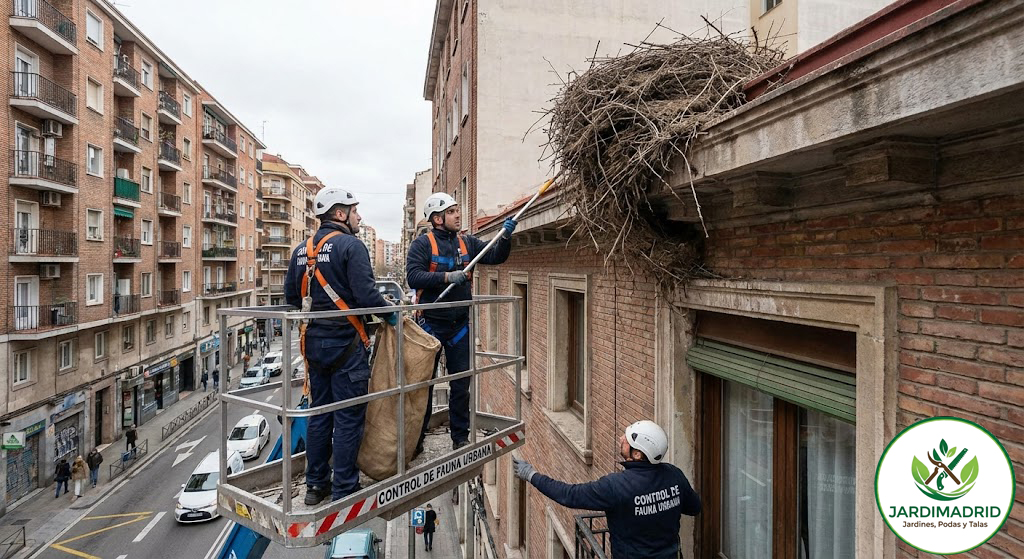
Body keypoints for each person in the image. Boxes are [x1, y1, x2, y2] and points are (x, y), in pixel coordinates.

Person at [284, 186, 396, 505]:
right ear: (339, 214)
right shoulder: (351, 245)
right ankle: (345, 487)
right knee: (347, 416)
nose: (359, 216)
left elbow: (292, 299)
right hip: (346, 344)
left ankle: (316, 484)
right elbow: (366, 297)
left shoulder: (300, 251)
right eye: (354, 210)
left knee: (320, 414)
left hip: (314, 345)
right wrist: (391, 316)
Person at [406, 193, 516, 451]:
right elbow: (413, 276)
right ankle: (417, 440)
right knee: (424, 386)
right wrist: (446, 277)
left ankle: (459, 437)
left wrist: (506, 236)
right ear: (437, 218)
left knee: (461, 385)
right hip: (430, 326)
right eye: (453, 211)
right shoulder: (423, 245)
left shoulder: (467, 242)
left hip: (459, 326)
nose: (458, 214)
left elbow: (495, 256)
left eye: (457, 210)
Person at [513, 420, 701, 559]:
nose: (620, 438)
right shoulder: (674, 476)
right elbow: (694, 508)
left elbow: (568, 495)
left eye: (626, 440)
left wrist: (531, 474)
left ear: (637, 453)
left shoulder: (616, 486)